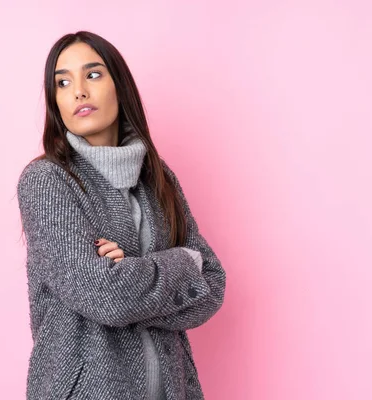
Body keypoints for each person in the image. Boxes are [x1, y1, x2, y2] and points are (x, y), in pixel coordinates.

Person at [17, 30, 226, 400]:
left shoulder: (159, 178)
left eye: (93, 74)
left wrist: (130, 270)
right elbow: (103, 294)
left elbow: (212, 285)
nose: (78, 90)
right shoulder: (47, 181)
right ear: (56, 102)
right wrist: (182, 263)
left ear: (119, 86)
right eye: (62, 83)